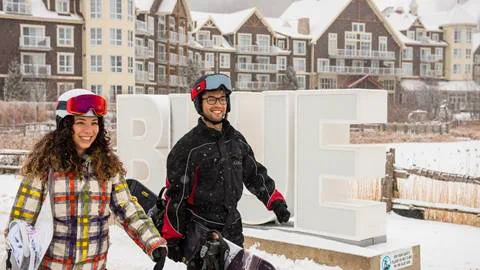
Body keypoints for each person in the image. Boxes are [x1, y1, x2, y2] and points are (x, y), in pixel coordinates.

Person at [4, 89, 167, 269]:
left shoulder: (107, 167)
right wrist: (16, 258)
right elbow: (21, 223)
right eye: (80, 122)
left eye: (94, 123)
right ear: (66, 126)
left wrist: (153, 242)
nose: (89, 130)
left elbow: (127, 209)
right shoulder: (45, 166)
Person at [158, 74, 291, 269]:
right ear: (199, 104)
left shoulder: (235, 141)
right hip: (202, 234)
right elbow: (175, 198)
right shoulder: (187, 148)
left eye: (221, 99)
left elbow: (255, 175)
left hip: (233, 231)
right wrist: (173, 238)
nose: (217, 104)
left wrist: (275, 201)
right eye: (210, 99)